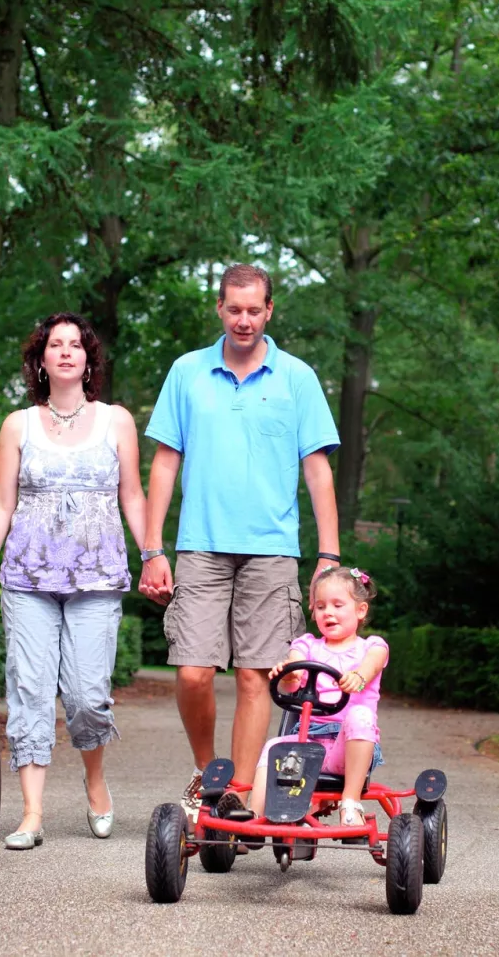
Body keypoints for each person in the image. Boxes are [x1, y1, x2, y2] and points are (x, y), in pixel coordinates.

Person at [138, 263, 342, 820]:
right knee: (193, 671)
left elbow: (318, 469)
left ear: (270, 311)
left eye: (255, 310)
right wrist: (152, 549)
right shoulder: (187, 372)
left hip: (273, 550)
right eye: (234, 309)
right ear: (220, 310)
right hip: (200, 544)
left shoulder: (297, 378)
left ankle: (240, 793)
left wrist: (329, 556)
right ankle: (210, 774)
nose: (244, 320)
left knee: (258, 675)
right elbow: (164, 461)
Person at [0, 312, 148, 850]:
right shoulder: (17, 425)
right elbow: (1, 503)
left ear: (89, 359)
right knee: (29, 690)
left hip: (96, 576)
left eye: (76, 345)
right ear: (41, 360)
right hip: (26, 578)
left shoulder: (117, 421)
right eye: (55, 345)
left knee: (89, 695)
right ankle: (32, 814)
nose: (66, 352)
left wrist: (154, 555)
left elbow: (132, 496)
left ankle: (95, 782)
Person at [248, 566, 388, 826]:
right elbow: (295, 667)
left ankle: (350, 802)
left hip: (347, 750)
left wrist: (358, 676)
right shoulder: (307, 645)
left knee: (360, 715)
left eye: (338, 605)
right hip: (308, 740)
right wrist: (289, 674)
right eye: (321, 606)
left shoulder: (372, 647)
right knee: (272, 747)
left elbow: (372, 665)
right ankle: (252, 818)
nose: (329, 613)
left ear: (360, 611)